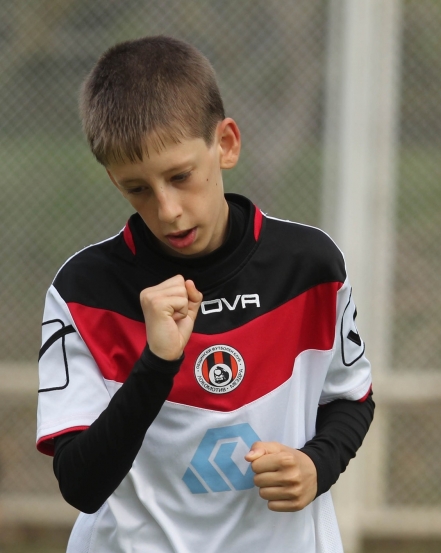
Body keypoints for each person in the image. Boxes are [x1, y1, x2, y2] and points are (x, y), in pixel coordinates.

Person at [35, 36, 374, 553]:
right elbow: (81, 485)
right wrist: (156, 364)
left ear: (226, 144)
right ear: (114, 181)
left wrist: (317, 465)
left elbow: (351, 398)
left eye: (180, 176)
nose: (167, 209)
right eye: (138, 188)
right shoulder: (83, 293)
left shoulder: (310, 267)